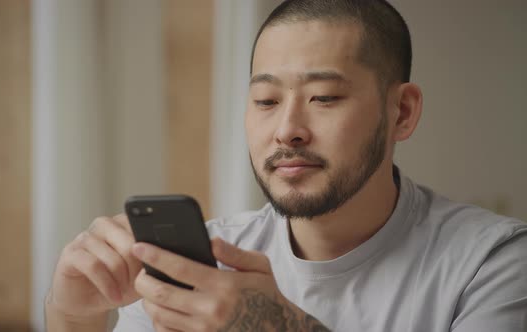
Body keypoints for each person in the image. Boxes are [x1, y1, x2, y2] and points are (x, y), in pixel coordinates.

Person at [45, 0, 527, 331]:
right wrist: (72, 318)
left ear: (401, 112)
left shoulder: (492, 264)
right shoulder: (195, 266)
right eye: (266, 99)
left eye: (324, 97)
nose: (287, 130)